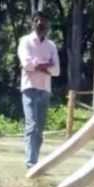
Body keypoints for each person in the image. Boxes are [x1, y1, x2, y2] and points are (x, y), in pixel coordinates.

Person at [17, 11, 60, 169]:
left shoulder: (51, 46)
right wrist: (46, 64)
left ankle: (34, 158)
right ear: (33, 23)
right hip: (29, 88)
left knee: (40, 128)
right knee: (31, 124)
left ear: (47, 25)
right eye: (38, 22)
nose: (41, 25)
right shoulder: (25, 41)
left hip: (45, 90)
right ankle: (31, 163)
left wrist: (38, 65)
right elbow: (27, 65)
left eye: (44, 22)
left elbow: (57, 71)